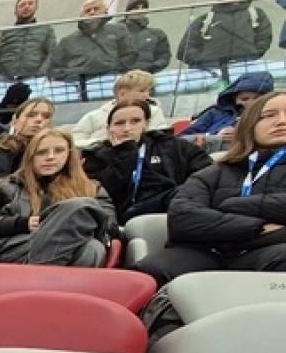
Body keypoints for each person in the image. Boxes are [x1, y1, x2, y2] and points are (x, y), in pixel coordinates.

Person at [134, 89, 286, 284]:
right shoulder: (213, 172)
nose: (281, 121)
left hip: (268, 253)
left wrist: (231, 206)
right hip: (207, 252)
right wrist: (257, 227)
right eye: (269, 116)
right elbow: (182, 218)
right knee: (149, 272)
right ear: (250, 125)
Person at [0, 129, 116, 266]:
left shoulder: (92, 188)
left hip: (72, 249)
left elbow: (109, 228)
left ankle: (40, 282)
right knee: (82, 206)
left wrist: (64, 225)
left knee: (93, 247)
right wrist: (21, 224)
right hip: (15, 249)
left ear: (70, 155)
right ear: (30, 157)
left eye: (59, 151)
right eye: (41, 152)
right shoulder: (4, 185)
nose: (50, 157)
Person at [84, 100, 212, 222]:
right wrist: (126, 152)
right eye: (119, 123)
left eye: (135, 121)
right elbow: (106, 192)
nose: (127, 128)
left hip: (177, 204)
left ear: (146, 124)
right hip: (127, 213)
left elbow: (206, 174)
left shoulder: (172, 146)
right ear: (108, 129)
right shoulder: (96, 157)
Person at [177, 0, 273, 73]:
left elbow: (265, 37)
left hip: (247, 67)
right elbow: (184, 49)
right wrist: (203, 61)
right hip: (210, 71)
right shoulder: (204, 19)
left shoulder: (256, 13)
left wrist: (253, 53)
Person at [45, 0, 132, 87]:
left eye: (96, 9)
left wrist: (112, 67)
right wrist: (76, 72)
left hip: (113, 80)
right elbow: (52, 68)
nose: (92, 12)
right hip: (80, 85)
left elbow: (130, 55)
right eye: (88, 10)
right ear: (82, 15)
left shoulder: (119, 30)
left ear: (105, 11)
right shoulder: (67, 41)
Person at [70, 70, 170, 146]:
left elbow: (159, 139)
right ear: (122, 93)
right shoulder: (94, 116)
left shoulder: (154, 112)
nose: (147, 95)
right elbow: (74, 141)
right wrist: (102, 143)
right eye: (142, 91)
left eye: (148, 91)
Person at [179, 72, 275, 139]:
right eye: (244, 99)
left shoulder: (274, 116)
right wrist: (214, 137)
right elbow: (182, 139)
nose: (251, 103)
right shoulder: (214, 113)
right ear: (235, 99)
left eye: (257, 98)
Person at [0, 0, 56, 81]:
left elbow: (52, 53)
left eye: (30, 3)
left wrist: (41, 74)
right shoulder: (5, 32)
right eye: (22, 5)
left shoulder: (46, 30)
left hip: (36, 80)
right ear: (15, 11)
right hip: (6, 82)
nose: (26, 7)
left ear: (36, 8)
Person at [121, 0, 171, 74]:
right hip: (120, 76)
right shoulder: (116, 32)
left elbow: (164, 56)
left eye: (143, 8)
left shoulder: (157, 33)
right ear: (127, 11)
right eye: (135, 8)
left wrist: (152, 68)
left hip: (148, 76)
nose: (140, 10)